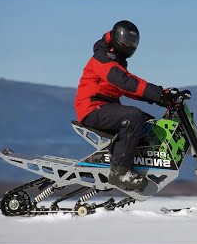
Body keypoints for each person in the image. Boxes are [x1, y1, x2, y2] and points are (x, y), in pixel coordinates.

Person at [74, 20, 189, 191]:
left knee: (148, 123)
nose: (130, 46)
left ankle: (141, 166)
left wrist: (162, 98)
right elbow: (125, 82)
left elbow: (128, 89)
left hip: (106, 108)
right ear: (117, 38)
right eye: (127, 42)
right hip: (92, 109)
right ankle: (120, 172)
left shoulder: (117, 59)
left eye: (133, 43)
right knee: (132, 117)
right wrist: (159, 94)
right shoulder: (102, 58)